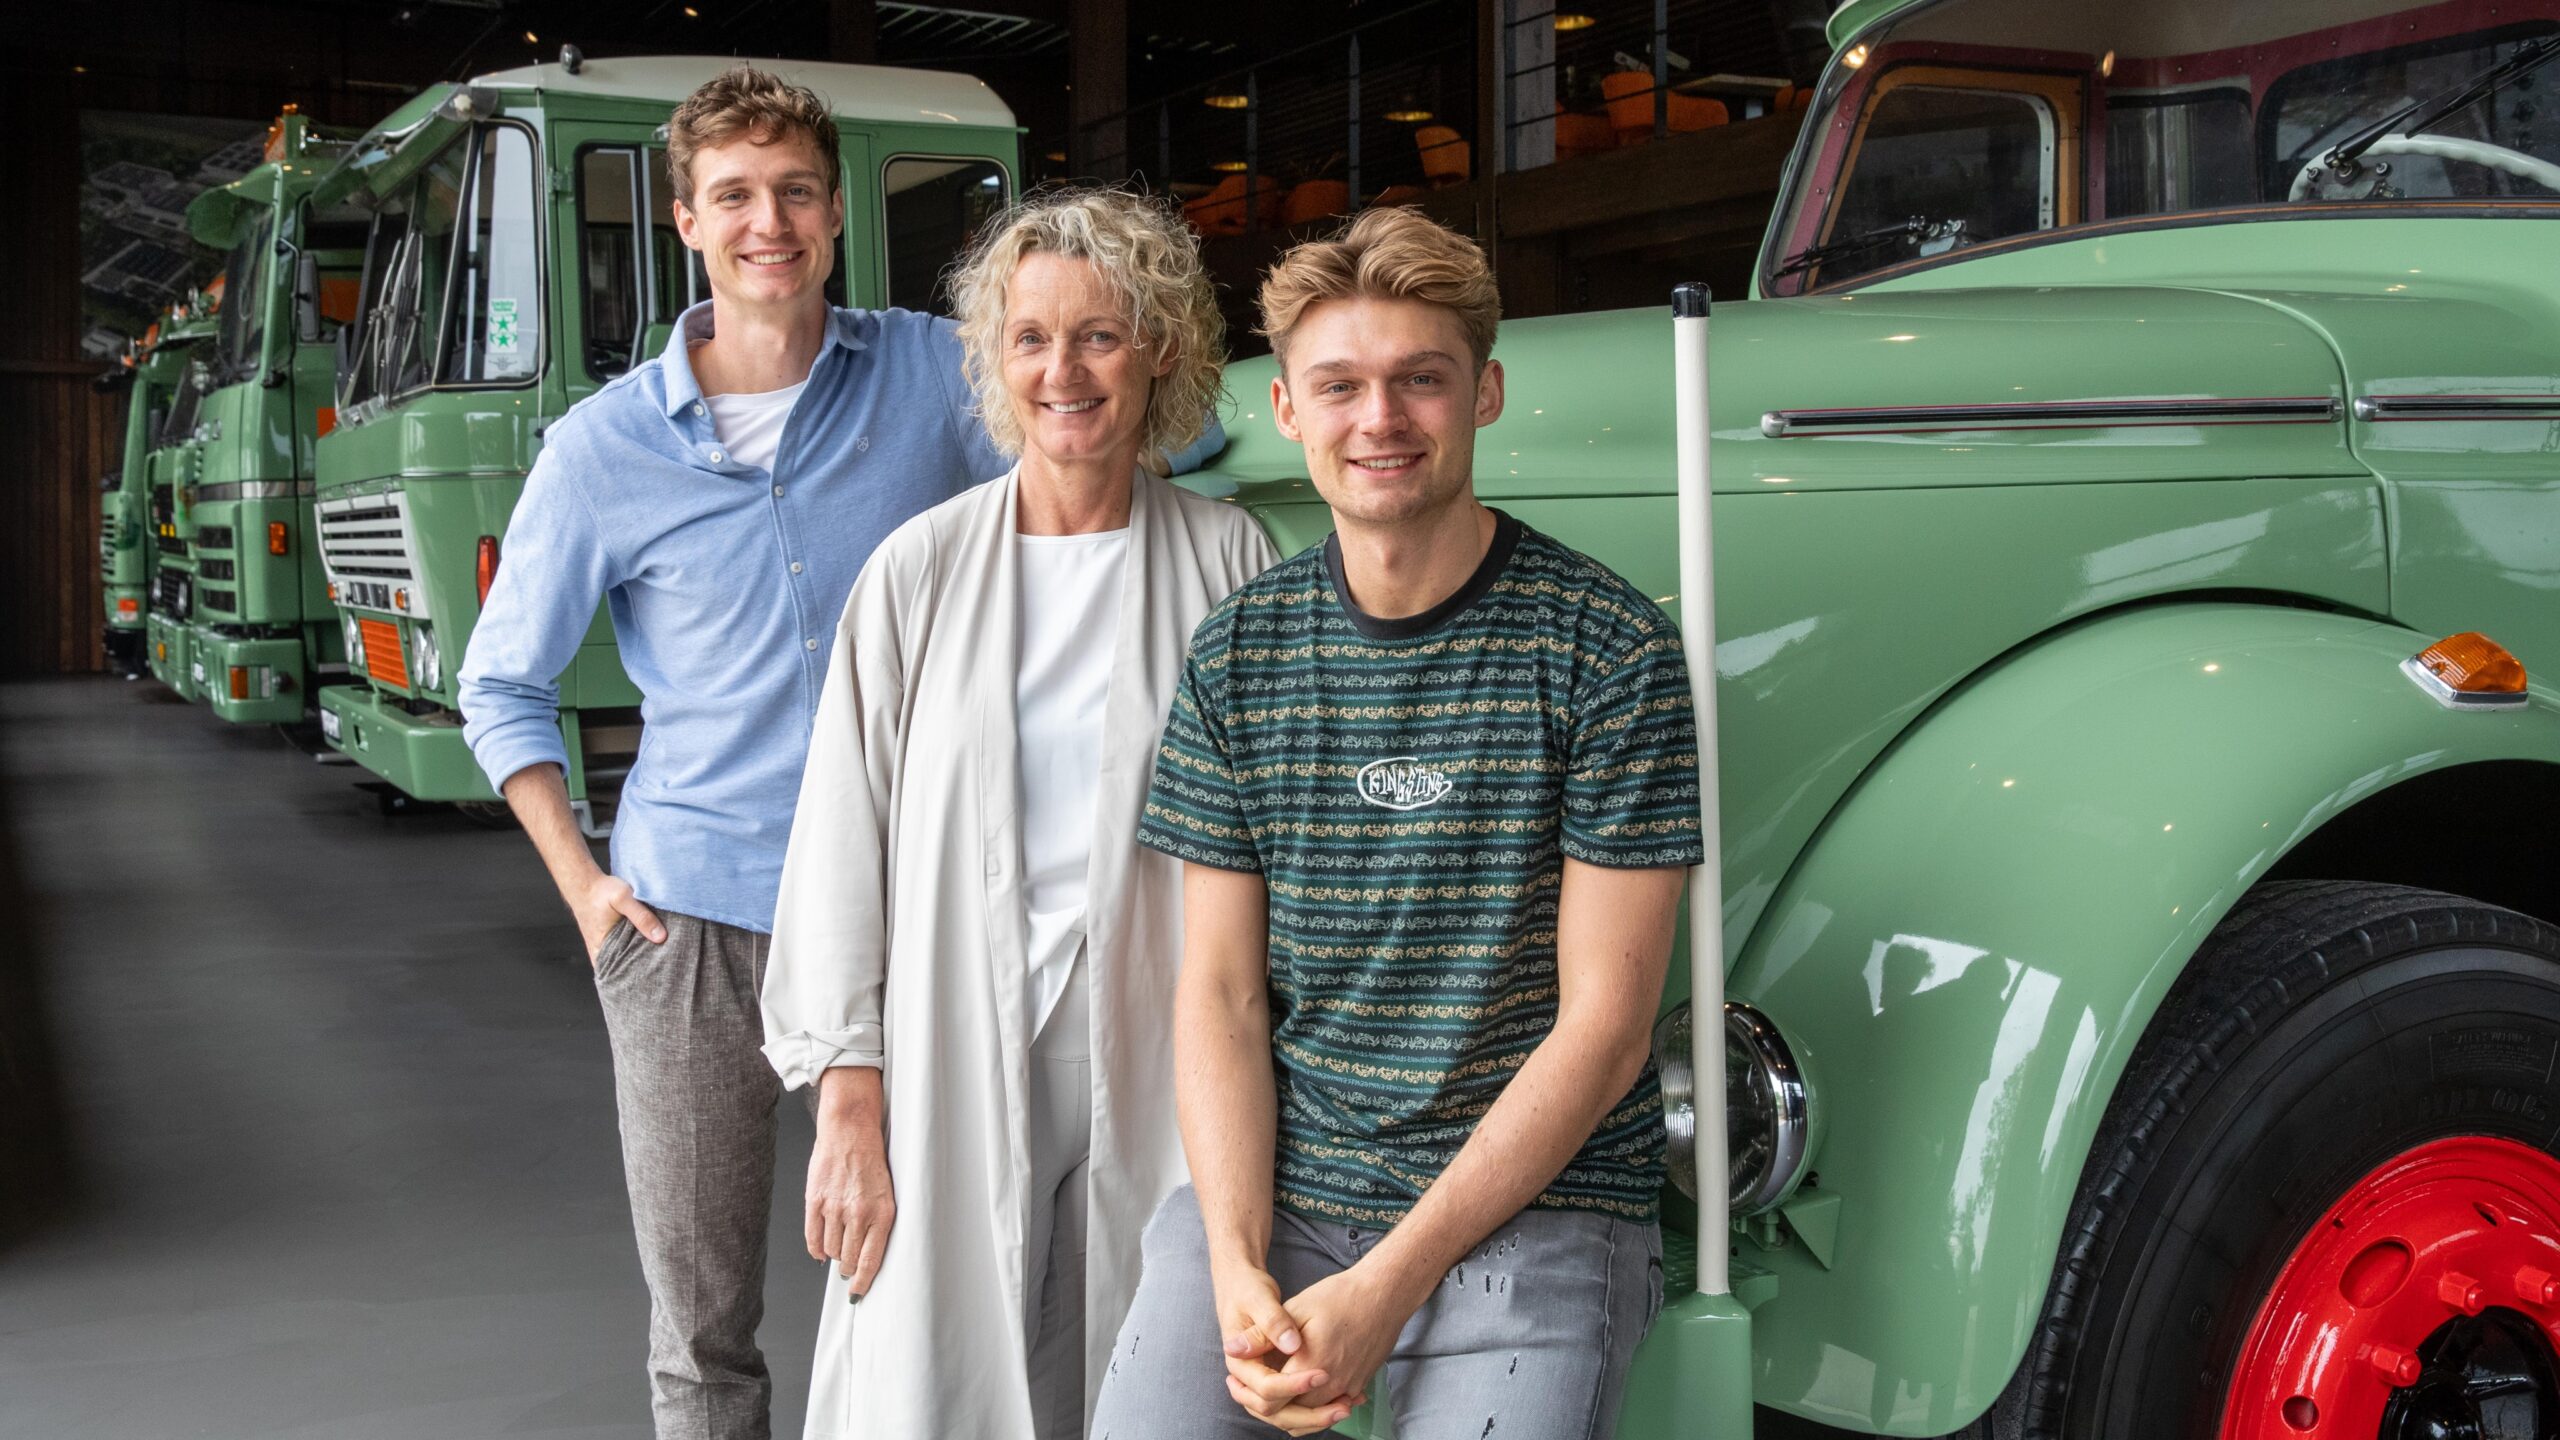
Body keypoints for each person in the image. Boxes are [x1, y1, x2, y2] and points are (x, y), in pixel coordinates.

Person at [455, 70, 1219, 1440]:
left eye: (798, 190)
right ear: (684, 216)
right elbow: (501, 684)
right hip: (699, 918)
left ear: (833, 212)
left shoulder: (937, 370)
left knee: (927, 1278)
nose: (771, 222)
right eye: (736, 195)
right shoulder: (602, 448)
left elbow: (1113, 423)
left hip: (920, 928)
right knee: (705, 1321)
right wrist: (588, 897)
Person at [1088, 207, 1705, 1440]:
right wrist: (1231, 1261)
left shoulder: (1609, 649)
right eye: (1341, 386)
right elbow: (1217, 998)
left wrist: (1386, 1283)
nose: (1380, 420)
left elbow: (1606, 1032)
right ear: (1289, 412)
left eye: (1420, 380)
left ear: (1482, 394)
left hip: (1537, 1210)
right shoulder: (1238, 652)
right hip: (1288, 1196)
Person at [759, 187, 1275, 1440]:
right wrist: (847, 1096)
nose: (1065, 371)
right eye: (1031, 338)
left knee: (1143, 1364)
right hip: (944, 1036)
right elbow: (840, 844)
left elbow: (1281, 853)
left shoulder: (1233, 565)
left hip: (1168, 1039)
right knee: (926, 1376)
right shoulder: (917, 571)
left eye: (1100, 334)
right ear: (993, 362)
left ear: (1159, 348)